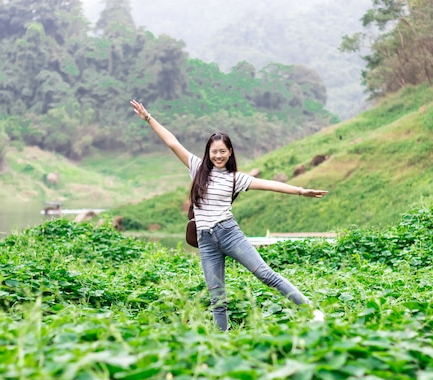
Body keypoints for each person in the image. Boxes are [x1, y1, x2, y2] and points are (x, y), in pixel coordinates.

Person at [130, 100, 328, 331]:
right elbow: (172, 143)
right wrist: (148, 118)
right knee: (217, 298)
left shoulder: (236, 178)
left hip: (229, 233)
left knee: (265, 274)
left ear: (230, 152)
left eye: (222, 151)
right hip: (205, 241)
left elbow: (269, 184)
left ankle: (312, 311)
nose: (218, 156)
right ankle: (222, 341)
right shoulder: (196, 167)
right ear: (208, 152)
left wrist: (301, 191)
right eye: (214, 152)